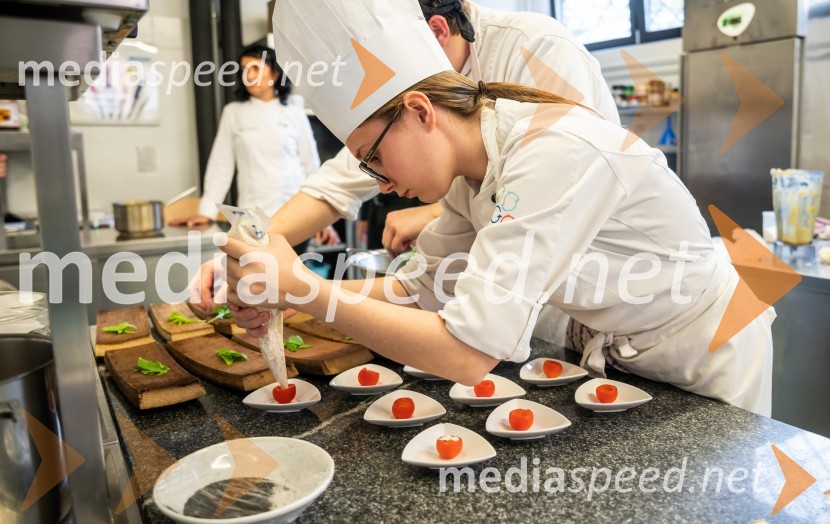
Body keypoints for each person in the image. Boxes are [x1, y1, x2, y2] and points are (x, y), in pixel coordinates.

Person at [219, 0, 774, 416]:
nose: (381, 183)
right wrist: (291, 300)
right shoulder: (470, 167)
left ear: (420, 111)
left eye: (376, 157)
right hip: (612, 346)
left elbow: (466, 353)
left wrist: (306, 291)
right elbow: (423, 288)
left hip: (699, 346)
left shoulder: (550, 149)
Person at [193, 0, 618, 307]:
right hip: (514, 309)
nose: (382, 180)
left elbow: (563, 187)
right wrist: (250, 250)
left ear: (435, 32)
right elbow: (335, 184)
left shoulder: (536, 49)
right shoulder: (411, 124)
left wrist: (429, 214)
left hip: (595, 290)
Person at [169, 46, 339, 249]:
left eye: (256, 69)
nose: (248, 75)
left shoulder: (294, 112)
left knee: (290, 277)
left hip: (294, 215)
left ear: (275, 73)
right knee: (257, 277)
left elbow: (311, 166)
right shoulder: (234, 112)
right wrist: (206, 212)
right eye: (244, 70)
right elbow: (220, 167)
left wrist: (319, 217)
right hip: (251, 221)